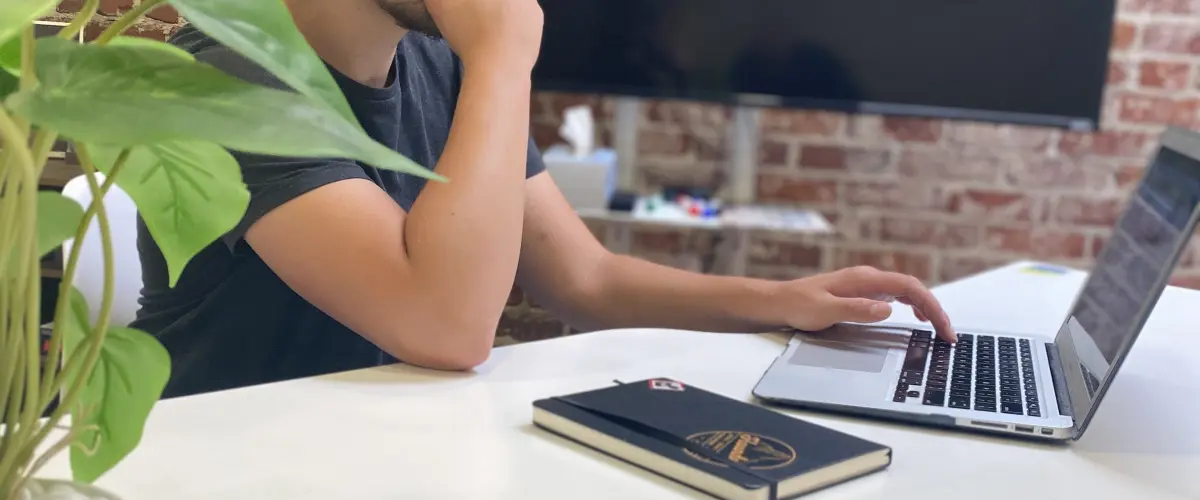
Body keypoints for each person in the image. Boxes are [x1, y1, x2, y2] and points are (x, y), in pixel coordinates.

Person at [132, 0, 956, 399]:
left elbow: (583, 279)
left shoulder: (437, 65)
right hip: (232, 497)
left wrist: (781, 302)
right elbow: (446, 329)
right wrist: (502, 54)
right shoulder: (227, 76)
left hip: (378, 453)